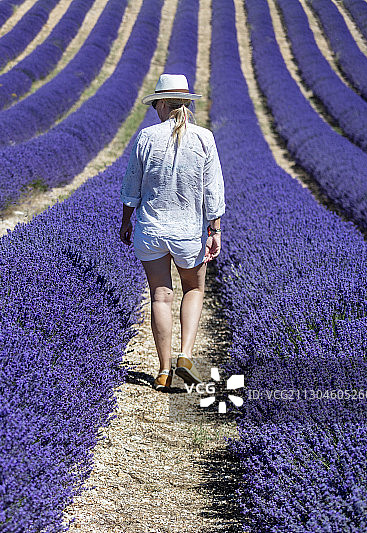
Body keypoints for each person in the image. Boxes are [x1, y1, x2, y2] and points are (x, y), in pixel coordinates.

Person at [118, 74, 225, 392]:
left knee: (160, 296)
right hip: (188, 233)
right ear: (187, 104)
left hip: (151, 230)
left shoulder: (146, 137)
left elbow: (131, 188)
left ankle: (163, 371)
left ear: (162, 104)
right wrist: (215, 230)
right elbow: (213, 190)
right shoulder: (204, 138)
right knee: (193, 289)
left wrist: (126, 221)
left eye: (155, 106)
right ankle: (185, 356)